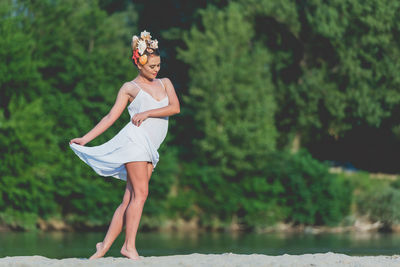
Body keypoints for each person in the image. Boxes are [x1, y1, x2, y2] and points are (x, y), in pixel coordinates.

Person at [69, 30, 180, 260]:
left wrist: (147, 112)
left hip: (150, 147)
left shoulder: (165, 82)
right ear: (139, 64)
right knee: (141, 194)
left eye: (158, 65)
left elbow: (175, 108)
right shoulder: (129, 88)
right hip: (135, 142)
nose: (156, 69)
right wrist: (86, 138)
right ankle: (128, 246)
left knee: (130, 198)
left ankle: (104, 246)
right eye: (151, 66)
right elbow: (110, 117)